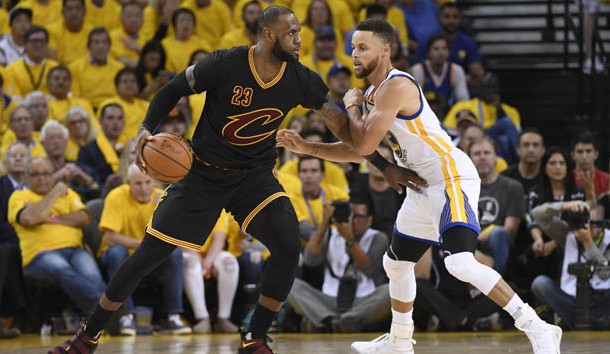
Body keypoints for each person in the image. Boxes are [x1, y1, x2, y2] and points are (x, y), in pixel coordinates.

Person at [48, 7, 420, 354]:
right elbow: (172, 89)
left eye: (299, 33)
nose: (298, 39)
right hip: (203, 174)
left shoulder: (301, 78)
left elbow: (341, 127)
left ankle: (254, 336)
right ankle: (88, 335)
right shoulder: (225, 63)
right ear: (268, 35)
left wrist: (383, 165)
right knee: (148, 255)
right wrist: (146, 129)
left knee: (289, 244)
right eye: (291, 33)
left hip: (255, 178)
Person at [277, 18, 561, 354]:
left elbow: (365, 145)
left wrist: (350, 105)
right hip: (421, 183)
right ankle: (399, 341)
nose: (354, 54)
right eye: (353, 47)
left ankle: (537, 326)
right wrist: (309, 147)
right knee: (395, 263)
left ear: (387, 50)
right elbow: (358, 149)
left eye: (362, 47)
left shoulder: (397, 86)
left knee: (460, 263)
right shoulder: (371, 95)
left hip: (448, 175)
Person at [97, 164, 190, 335]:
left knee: (174, 254)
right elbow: (110, 238)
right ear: (128, 183)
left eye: (148, 182)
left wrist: (159, 212)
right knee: (118, 253)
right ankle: (126, 316)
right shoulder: (116, 196)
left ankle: (173, 316)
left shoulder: (163, 198)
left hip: (149, 258)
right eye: (138, 184)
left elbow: (173, 238)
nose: (144, 188)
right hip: (120, 255)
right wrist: (143, 245)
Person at [8, 157, 105, 317]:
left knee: (91, 275)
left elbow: (84, 218)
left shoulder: (68, 194)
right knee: (62, 269)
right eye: (35, 174)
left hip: (75, 250)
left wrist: (50, 218)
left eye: (46, 174)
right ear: (26, 177)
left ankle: (103, 317)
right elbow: (29, 219)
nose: (41, 178)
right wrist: (54, 193)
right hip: (40, 254)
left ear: (52, 175)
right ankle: (105, 314)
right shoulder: (19, 196)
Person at [287, 197, 391, 333]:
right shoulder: (331, 235)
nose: (352, 221)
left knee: (391, 291)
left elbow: (370, 270)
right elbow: (310, 260)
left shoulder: (378, 238)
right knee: (289, 284)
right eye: (349, 215)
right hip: (330, 300)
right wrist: (324, 223)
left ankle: (342, 320)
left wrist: (349, 239)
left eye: (358, 216)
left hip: (363, 300)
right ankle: (333, 320)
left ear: (369, 220)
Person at [531, 201, 610, 329]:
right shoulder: (567, 233)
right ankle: (580, 320)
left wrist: (588, 243)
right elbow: (537, 214)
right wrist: (565, 206)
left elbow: (605, 274)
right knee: (540, 283)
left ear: (600, 225)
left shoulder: (608, 240)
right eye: (582, 221)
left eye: (590, 223)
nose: (584, 226)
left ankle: (585, 321)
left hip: (599, 300)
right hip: (570, 300)